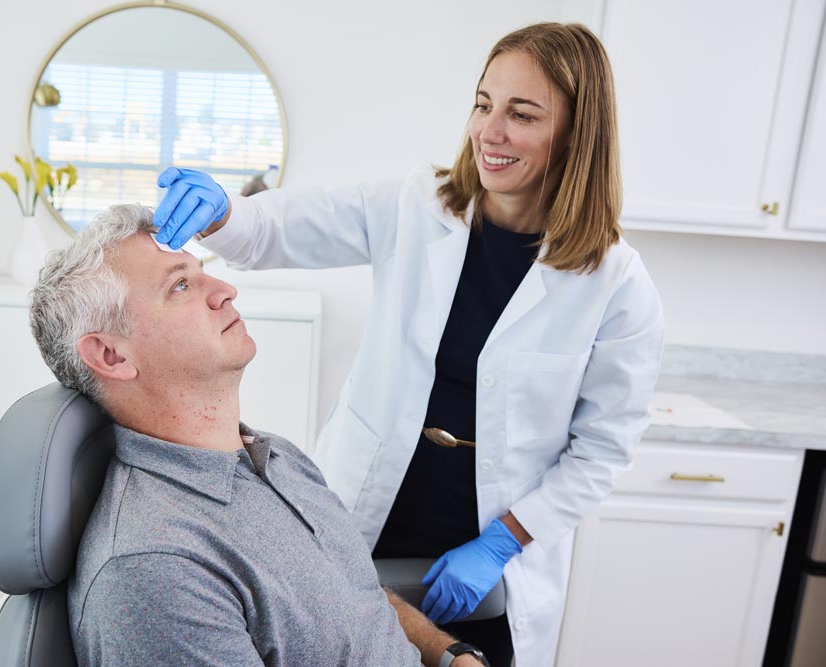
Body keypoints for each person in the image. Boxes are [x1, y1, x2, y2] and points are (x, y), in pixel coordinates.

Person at [149, 22, 665, 667]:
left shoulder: (616, 283)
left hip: (495, 537)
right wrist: (225, 210)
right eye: (484, 104)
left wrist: (503, 542)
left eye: (522, 114)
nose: (490, 131)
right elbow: (281, 229)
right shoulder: (420, 204)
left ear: (577, 134)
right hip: (370, 504)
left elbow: (602, 452)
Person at [28, 203, 494, 667]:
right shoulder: (156, 568)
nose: (226, 291)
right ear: (110, 356)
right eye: (181, 285)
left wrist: (451, 655)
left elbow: (356, 596)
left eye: (202, 271)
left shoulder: (278, 458)